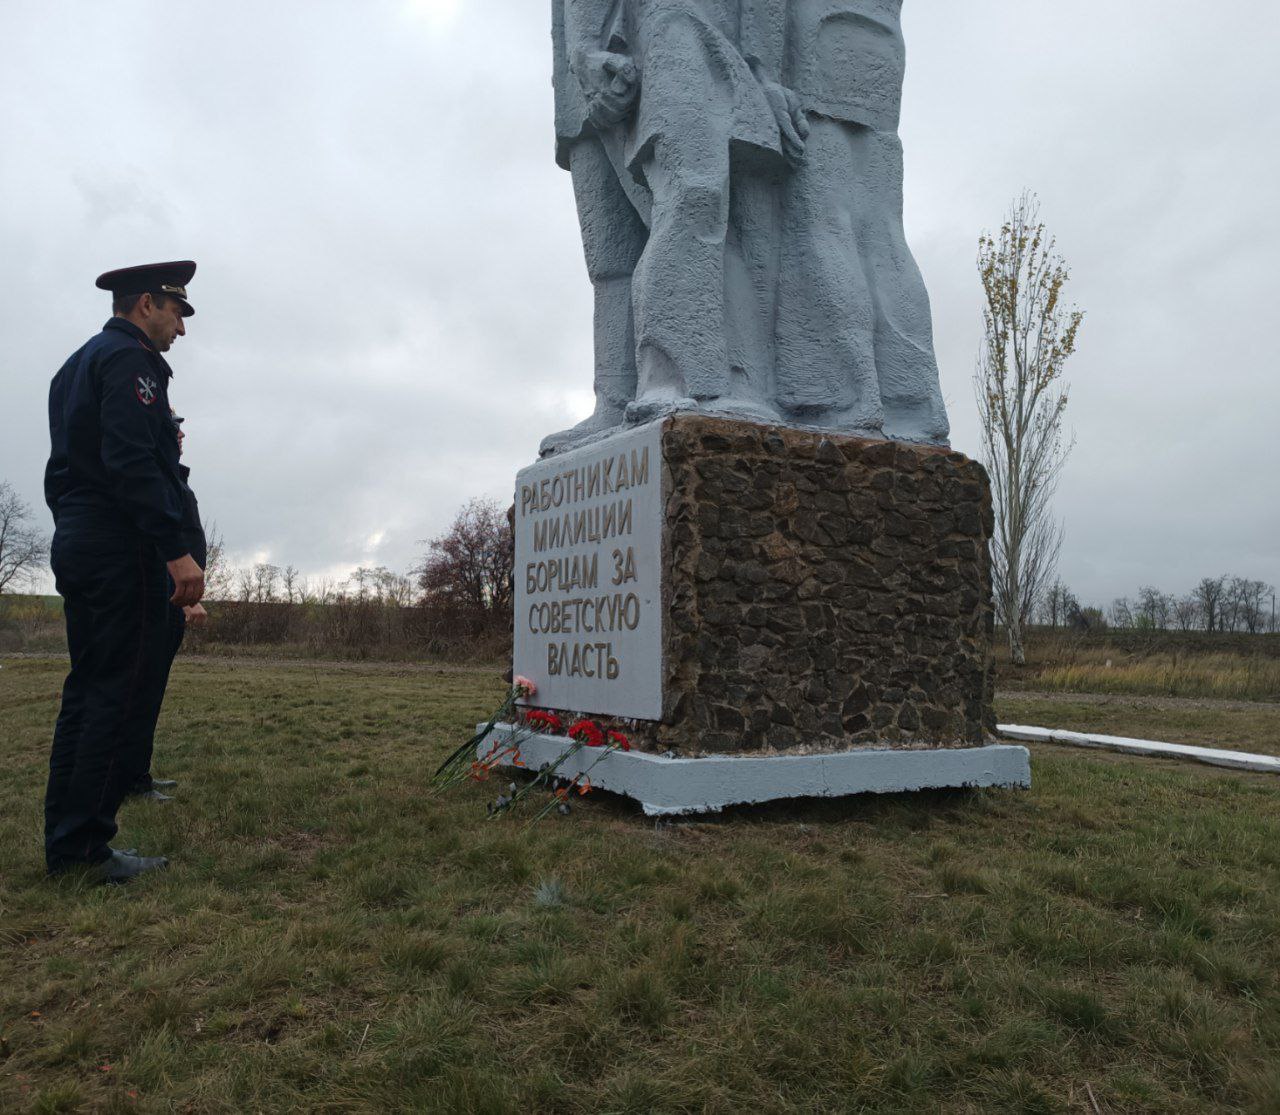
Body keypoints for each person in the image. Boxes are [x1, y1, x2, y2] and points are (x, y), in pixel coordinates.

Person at [44, 261, 206, 884]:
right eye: (176, 312)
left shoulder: (75, 365)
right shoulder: (130, 361)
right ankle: (84, 851)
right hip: (120, 546)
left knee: (88, 692)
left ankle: (68, 844)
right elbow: (131, 460)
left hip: (82, 539)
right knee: (114, 692)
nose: (181, 329)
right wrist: (174, 547)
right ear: (145, 305)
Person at [127, 409, 208, 802]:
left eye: (180, 429)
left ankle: (138, 774)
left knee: (151, 690)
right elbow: (157, 538)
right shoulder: (153, 482)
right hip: (159, 596)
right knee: (139, 690)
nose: (180, 436)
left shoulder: (173, 478)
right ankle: (129, 781)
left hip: (175, 599)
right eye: (173, 429)